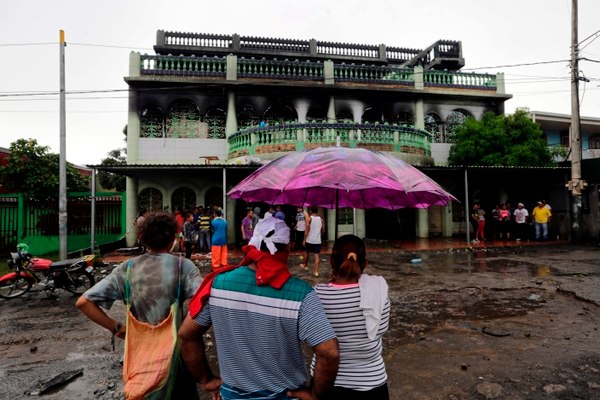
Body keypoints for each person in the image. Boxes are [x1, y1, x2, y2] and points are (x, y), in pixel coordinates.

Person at [179, 216, 340, 399]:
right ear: (288, 247)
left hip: (232, 395)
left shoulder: (218, 284)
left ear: (253, 244)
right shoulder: (302, 294)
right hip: (285, 395)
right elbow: (329, 353)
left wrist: (206, 379)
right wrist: (316, 393)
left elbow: (186, 334)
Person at [76, 212, 202, 399]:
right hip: (176, 358)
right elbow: (204, 300)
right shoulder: (184, 267)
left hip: (139, 355)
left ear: (142, 239)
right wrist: (189, 330)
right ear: (172, 239)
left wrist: (117, 328)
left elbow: (83, 302)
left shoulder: (126, 269)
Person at [313, 234, 390, 399]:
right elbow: (380, 330)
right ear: (365, 264)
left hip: (326, 384)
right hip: (372, 384)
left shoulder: (317, 295)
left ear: (332, 262)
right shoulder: (380, 293)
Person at [304, 207, 325, 277]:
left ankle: (306, 265)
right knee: (317, 255)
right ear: (317, 211)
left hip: (309, 240)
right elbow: (323, 230)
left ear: (310, 210)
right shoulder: (321, 219)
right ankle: (316, 272)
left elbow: (307, 230)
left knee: (307, 252)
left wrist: (304, 240)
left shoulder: (309, 218)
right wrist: (319, 235)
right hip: (317, 240)